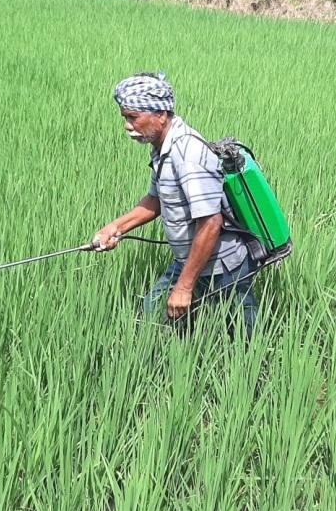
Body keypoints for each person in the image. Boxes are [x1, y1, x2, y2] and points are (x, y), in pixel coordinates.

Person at [92, 72, 258, 338]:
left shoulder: (187, 154)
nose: (127, 125)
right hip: (191, 258)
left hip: (223, 267)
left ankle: (253, 378)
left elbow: (211, 222)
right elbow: (156, 200)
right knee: (152, 319)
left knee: (242, 341)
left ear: (161, 114)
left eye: (133, 117)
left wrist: (184, 286)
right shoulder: (162, 148)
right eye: (125, 117)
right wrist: (115, 228)